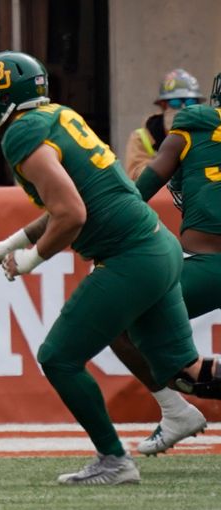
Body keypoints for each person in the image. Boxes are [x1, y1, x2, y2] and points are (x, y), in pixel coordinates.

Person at [0, 50, 221, 485]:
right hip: (161, 246)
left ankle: (114, 459)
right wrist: (6, 245)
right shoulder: (58, 116)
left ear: (4, 96)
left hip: (132, 257)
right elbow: (76, 201)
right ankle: (173, 414)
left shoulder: (22, 132)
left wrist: (28, 261)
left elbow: (71, 214)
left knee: (58, 357)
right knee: (191, 373)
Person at [111, 71, 221, 455]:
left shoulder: (189, 132)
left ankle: (177, 409)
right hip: (205, 263)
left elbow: (135, 195)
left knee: (116, 321)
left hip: (207, 263)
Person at [124, 68, 204, 180]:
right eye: (175, 102)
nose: (183, 108)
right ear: (163, 104)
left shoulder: (209, 133)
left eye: (190, 102)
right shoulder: (141, 137)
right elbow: (136, 176)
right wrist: (168, 159)